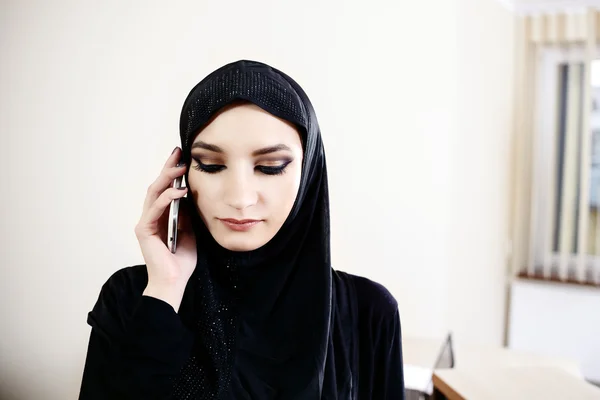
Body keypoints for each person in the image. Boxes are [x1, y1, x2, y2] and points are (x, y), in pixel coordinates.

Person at [78, 59, 405, 400]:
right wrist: (165, 292)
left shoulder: (368, 314)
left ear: (308, 172)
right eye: (211, 165)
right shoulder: (132, 298)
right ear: (182, 173)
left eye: (269, 167)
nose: (240, 198)